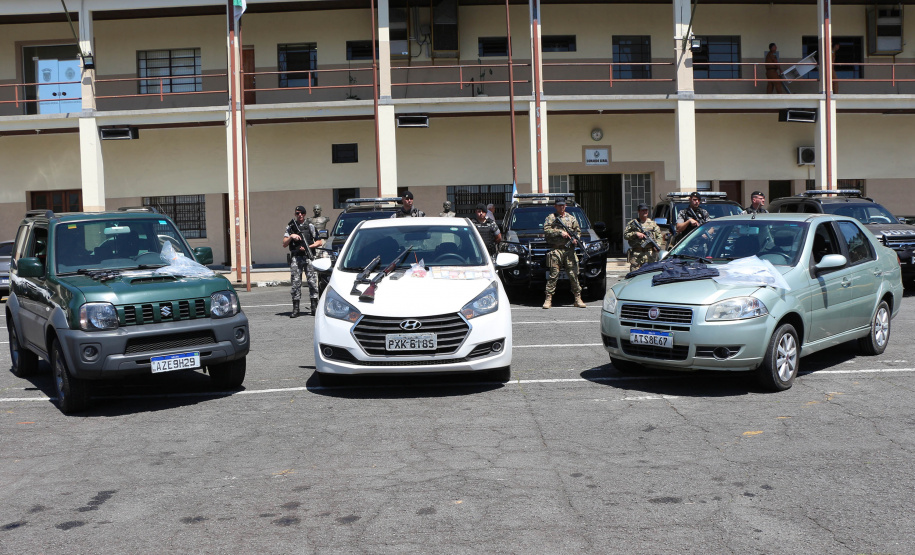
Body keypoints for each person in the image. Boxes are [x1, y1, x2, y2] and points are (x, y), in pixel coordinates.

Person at [543, 198, 586, 309]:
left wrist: (576, 239)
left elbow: (578, 231)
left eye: (563, 205)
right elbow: (546, 230)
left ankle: (578, 298)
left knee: (573, 274)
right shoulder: (551, 218)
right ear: (555, 206)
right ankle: (548, 299)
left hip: (569, 251)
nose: (561, 207)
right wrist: (559, 232)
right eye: (559, 205)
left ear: (565, 206)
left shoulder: (571, 218)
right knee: (553, 275)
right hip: (556, 250)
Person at [283, 205, 322, 318]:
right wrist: (292, 236)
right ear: (295, 214)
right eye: (297, 213)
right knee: (295, 283)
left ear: (305, 214)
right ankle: (296, 309)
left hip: (308, 257)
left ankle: (314, 307)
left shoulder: (310, 226)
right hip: (296, 258)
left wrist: (308, 247)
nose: (300, 215)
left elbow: (319, 242)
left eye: (302, 213)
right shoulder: (290, 227)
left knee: (312, 282)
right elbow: (284, 243)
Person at [624, 203, 663, 272]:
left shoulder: (652, 223)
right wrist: (635, 233)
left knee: (650, 274)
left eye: (646, 210)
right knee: (634, 274)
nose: (645, 212)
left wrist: (658, 244)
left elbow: (659, 235)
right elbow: (625, 235)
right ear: (639, 212)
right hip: (637, 254)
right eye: (643, 210)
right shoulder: (633, 223)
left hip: (650, 254)